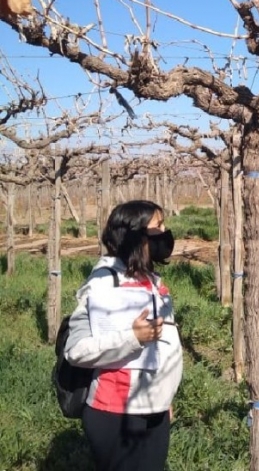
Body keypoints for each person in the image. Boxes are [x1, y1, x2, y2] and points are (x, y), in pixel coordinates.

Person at [64, 200, 183, 471]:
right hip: (117, 410)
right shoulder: (104, 283)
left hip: (154, 408)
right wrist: (132, 338)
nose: (165, 233)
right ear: (135, 235)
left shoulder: (151, 280)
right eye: (158, 226)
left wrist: (164, 399)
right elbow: (77, 349)